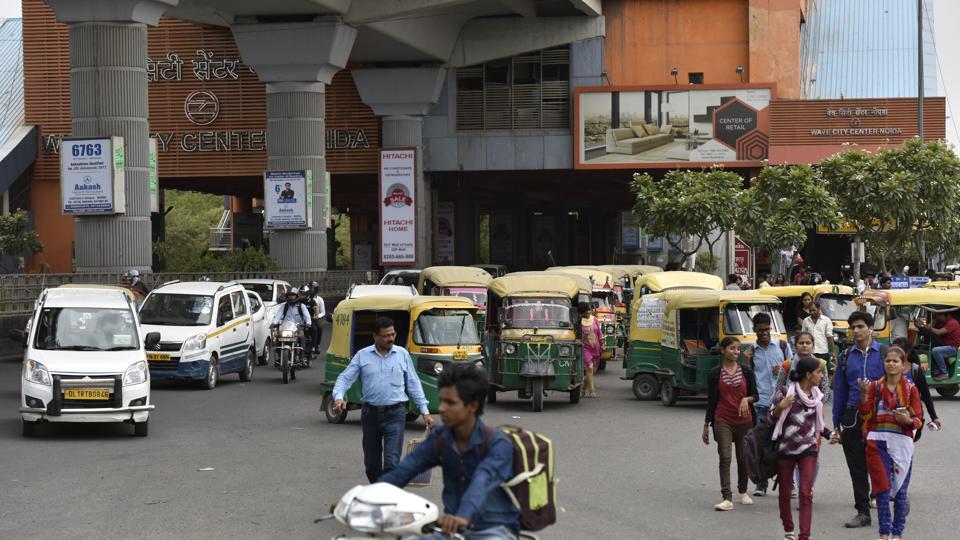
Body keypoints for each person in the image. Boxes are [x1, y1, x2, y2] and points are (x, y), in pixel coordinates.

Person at [380, 365, 519, 539]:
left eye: (451, 403)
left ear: (473, 406)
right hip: (451, 531)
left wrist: (462, 516)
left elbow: (481, 481)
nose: (442, 408)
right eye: (442, 401)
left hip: (495, 530)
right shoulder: (440, 439)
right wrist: (358, 500)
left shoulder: (498, 444)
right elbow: (402, 472)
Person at [332, 317, 434, 482]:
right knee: (372, 465)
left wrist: (425, 411)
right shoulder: (362, 355)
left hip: (395, 414)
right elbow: (344, 378)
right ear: (375, 336)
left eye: (393, 334)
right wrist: (338, 398)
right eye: (386, 335)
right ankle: (378, 490)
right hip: (370, 415)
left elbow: (414, 383)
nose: (391, 339)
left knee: (391, 463)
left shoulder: (402, 354)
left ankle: (386, 498)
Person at [853, 347, 923, 540]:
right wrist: (863, 395)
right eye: (888, 361)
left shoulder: (910, 390)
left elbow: (918, 419)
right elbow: (866, 415)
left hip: (902, 444)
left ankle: (897, 533)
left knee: (900, 492)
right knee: (882, 489)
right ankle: (884, 533)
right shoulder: (875, 387)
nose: (891, 364)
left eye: (895, 361)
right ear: (883, 364)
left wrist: (907, 420)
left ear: (903, 365)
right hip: (877, 442)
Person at [770, 356, 837, 540]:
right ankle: (788, 529)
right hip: (785, 449)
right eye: (819, 372)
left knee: (806, 492)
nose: (822, 376)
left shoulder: (816, 397)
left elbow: (818, 425)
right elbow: (770, 419)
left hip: (808, 448)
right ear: (808, 375)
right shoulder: (785, 393)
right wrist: (780, 408)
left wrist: (831, 435)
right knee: (784, 493)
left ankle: (804, 536)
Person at [833, 311, 886, 528]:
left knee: (882, 463)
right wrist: (837, 423)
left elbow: (899, 385)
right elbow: (839, 391)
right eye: (853, 327)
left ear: (871, 328)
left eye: (860, 326)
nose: (856, 331)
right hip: (852, 416)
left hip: (881, 416)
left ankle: (887, 503)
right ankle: (863, 512)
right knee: (856, 466)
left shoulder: (885, 353)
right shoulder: (845, 357)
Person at [703, 336, 758, 511]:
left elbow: (756, 395)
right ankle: (727, 498)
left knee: (742, 458)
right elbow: (711, 401)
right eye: (732, 348)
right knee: (725, 457)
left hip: (745, 421)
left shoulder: (747, 371)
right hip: (722, 419)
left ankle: (743, 491)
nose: (736, 352)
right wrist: (706, 425)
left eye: (738, 349)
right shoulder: (714, 373)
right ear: (723, 350)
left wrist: (746, 399)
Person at [742, 312, 791, 496]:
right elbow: (746, 378)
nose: (763, 333)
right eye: (760, 330)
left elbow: (794, 369)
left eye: (766, 330)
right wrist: (746, 362)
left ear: (771, 328)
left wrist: (783, 369)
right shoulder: (750, 351)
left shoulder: (782, 346)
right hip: (761, 404)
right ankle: (761, 484)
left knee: (786, 444)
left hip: (782, 403)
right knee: (761, 445)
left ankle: (788, 483)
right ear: (754, 330)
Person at [892, 337, 941, 441]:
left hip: (911, 418)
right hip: (890, 419)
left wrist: (934, 417)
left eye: (897, 351)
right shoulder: (887, 369)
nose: (894, 354)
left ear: (907, 353)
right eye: (892, 350)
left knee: (905, 450)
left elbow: (926, 395)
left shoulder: (915, 370)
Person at [914, 311, 960, 381]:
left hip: (952, 348)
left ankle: (944, 373)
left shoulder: (952, 322)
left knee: (936, 351)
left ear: (943, 315)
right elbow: (931, 332)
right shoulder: (940, 322)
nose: (935, 316)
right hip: (944, 345)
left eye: (936, 315)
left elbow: (938, 332)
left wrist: (924, 325)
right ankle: (935, 370)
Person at [272, 288, 312, 356]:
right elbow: (278, 315)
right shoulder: (284, 306)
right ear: (287, 296)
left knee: (302, 336)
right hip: (285, 326)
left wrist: (308, 323)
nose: (291, 297)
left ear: (296, 296)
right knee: (277, 336)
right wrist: (274, 323)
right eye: (289, 295)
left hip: (299, 326)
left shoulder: (301, 306)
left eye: (293, 295)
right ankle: (278, 353)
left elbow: (307, 316)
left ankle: (302, 354)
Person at [801, 301, 835, 368]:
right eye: (810, 311)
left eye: (814, 310)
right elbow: (803, 336)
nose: (812, 312)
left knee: (823, 373)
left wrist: (833, 351)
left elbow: (829, 336)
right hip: (810, 352)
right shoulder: (806, 321)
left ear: (819, 309)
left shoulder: (826, 320)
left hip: (823, 351)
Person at [579, 303, 602, 398]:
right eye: (586, 310)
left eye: (589, 309)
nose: (589, 311)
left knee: (593, 371)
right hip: (585, 348)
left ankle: (583, 388)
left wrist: (603, 343)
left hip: (596, 348)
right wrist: (583, 337)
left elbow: (599, 333)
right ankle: (592, 390)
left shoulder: (595, 320)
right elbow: (578, 336)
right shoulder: (579, 322)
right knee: (590, 367)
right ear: (582, 313)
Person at [309, 281, 326, 354]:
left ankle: (317, 345)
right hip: (307, 317)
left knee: (319, 327)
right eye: (310, 288)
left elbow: (323, 312)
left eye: (313, 289)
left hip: (315, 318)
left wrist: (317, 316)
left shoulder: (320, 299)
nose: (311, 290)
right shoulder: (306, 299)